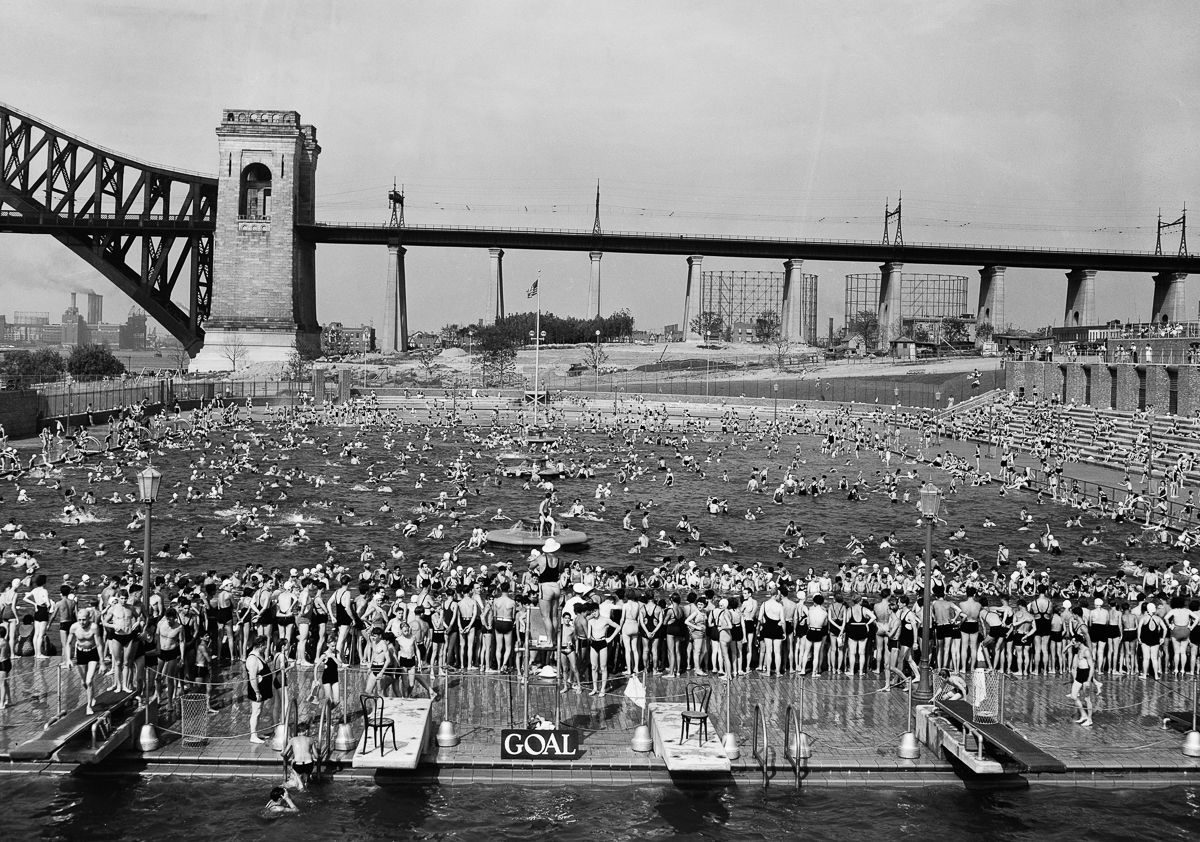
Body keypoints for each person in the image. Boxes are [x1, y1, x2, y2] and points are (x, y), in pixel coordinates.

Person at [68, 608, 104, 714]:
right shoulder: (74, 627)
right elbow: (68, 643)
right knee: (84, 682)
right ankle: (91, 696)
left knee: (89, 681)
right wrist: (68, 659)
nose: (81, 622)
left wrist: (102, 663)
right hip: (81, 653)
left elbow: (99, 645)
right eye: (79, 620)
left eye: (84, 619)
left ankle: (88, 706)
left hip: (92, 652)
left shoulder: (94, 627)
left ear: (89, 618)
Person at [245, 635, 273, 744]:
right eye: (265, 645)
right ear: (260, 645)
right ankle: (253, 736)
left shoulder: (259, 655)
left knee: (259, 711)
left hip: (261, 689)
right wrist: (257, 692)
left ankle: (256, 732)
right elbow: (252, 678)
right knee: (256, 712)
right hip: (256, 690)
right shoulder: (252, 659)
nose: (266, 647)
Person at [282, 720, 316, 790]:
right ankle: (307, 781)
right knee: (310, 763)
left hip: (298, 766)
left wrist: (282, 753)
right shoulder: (311, 739)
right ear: (306, 731)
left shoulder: (292, 740)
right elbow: (316, 756)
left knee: (293, 764)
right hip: (309, 764)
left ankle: (300, 783)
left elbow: (284, 754)